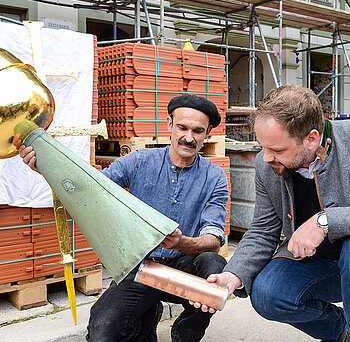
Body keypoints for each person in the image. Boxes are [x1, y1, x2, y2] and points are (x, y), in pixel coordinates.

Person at [19, 94, 229, 342]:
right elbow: (92, 187)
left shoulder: (214, 177)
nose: (188, 137)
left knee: (214, 264)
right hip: (141, 265)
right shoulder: (140, 161)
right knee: (102, 334)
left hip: (185, 269)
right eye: (182, 127)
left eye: (198, 131)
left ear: (207, 134)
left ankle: (187, 332)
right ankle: (147, 314)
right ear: (169, 126)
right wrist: (47, 166)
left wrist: (183, 242)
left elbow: (214, 238)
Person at [197, 85, 349, 342]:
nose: (266, 158)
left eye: (277, 150)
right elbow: (263, 229)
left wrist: (324, 222)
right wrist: (233, 275)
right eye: (262, 146)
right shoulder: (266, 164)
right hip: (320, 265)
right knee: (269, 293)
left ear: (311, 139)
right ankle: (341, 332)